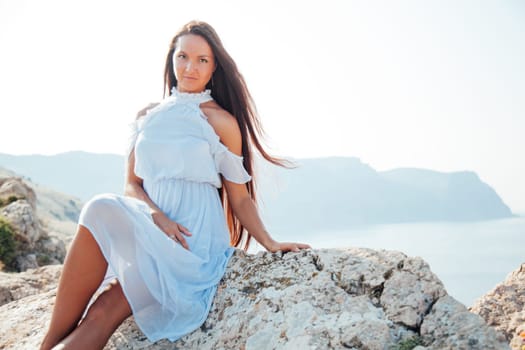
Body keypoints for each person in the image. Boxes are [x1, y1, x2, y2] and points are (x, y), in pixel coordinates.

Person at [40, 20, 310, 349]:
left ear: (214, 68)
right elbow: (132, 185)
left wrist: (269, 242)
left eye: (202, 60)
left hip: (191, 243)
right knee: (102, 306)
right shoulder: (148, 116)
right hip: (150, 232)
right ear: (171, 59)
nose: (190, 68)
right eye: (183, 56)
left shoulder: (221, 122)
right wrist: (156, 216)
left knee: (100, 228)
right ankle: (47, 344)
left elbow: (239, 198)